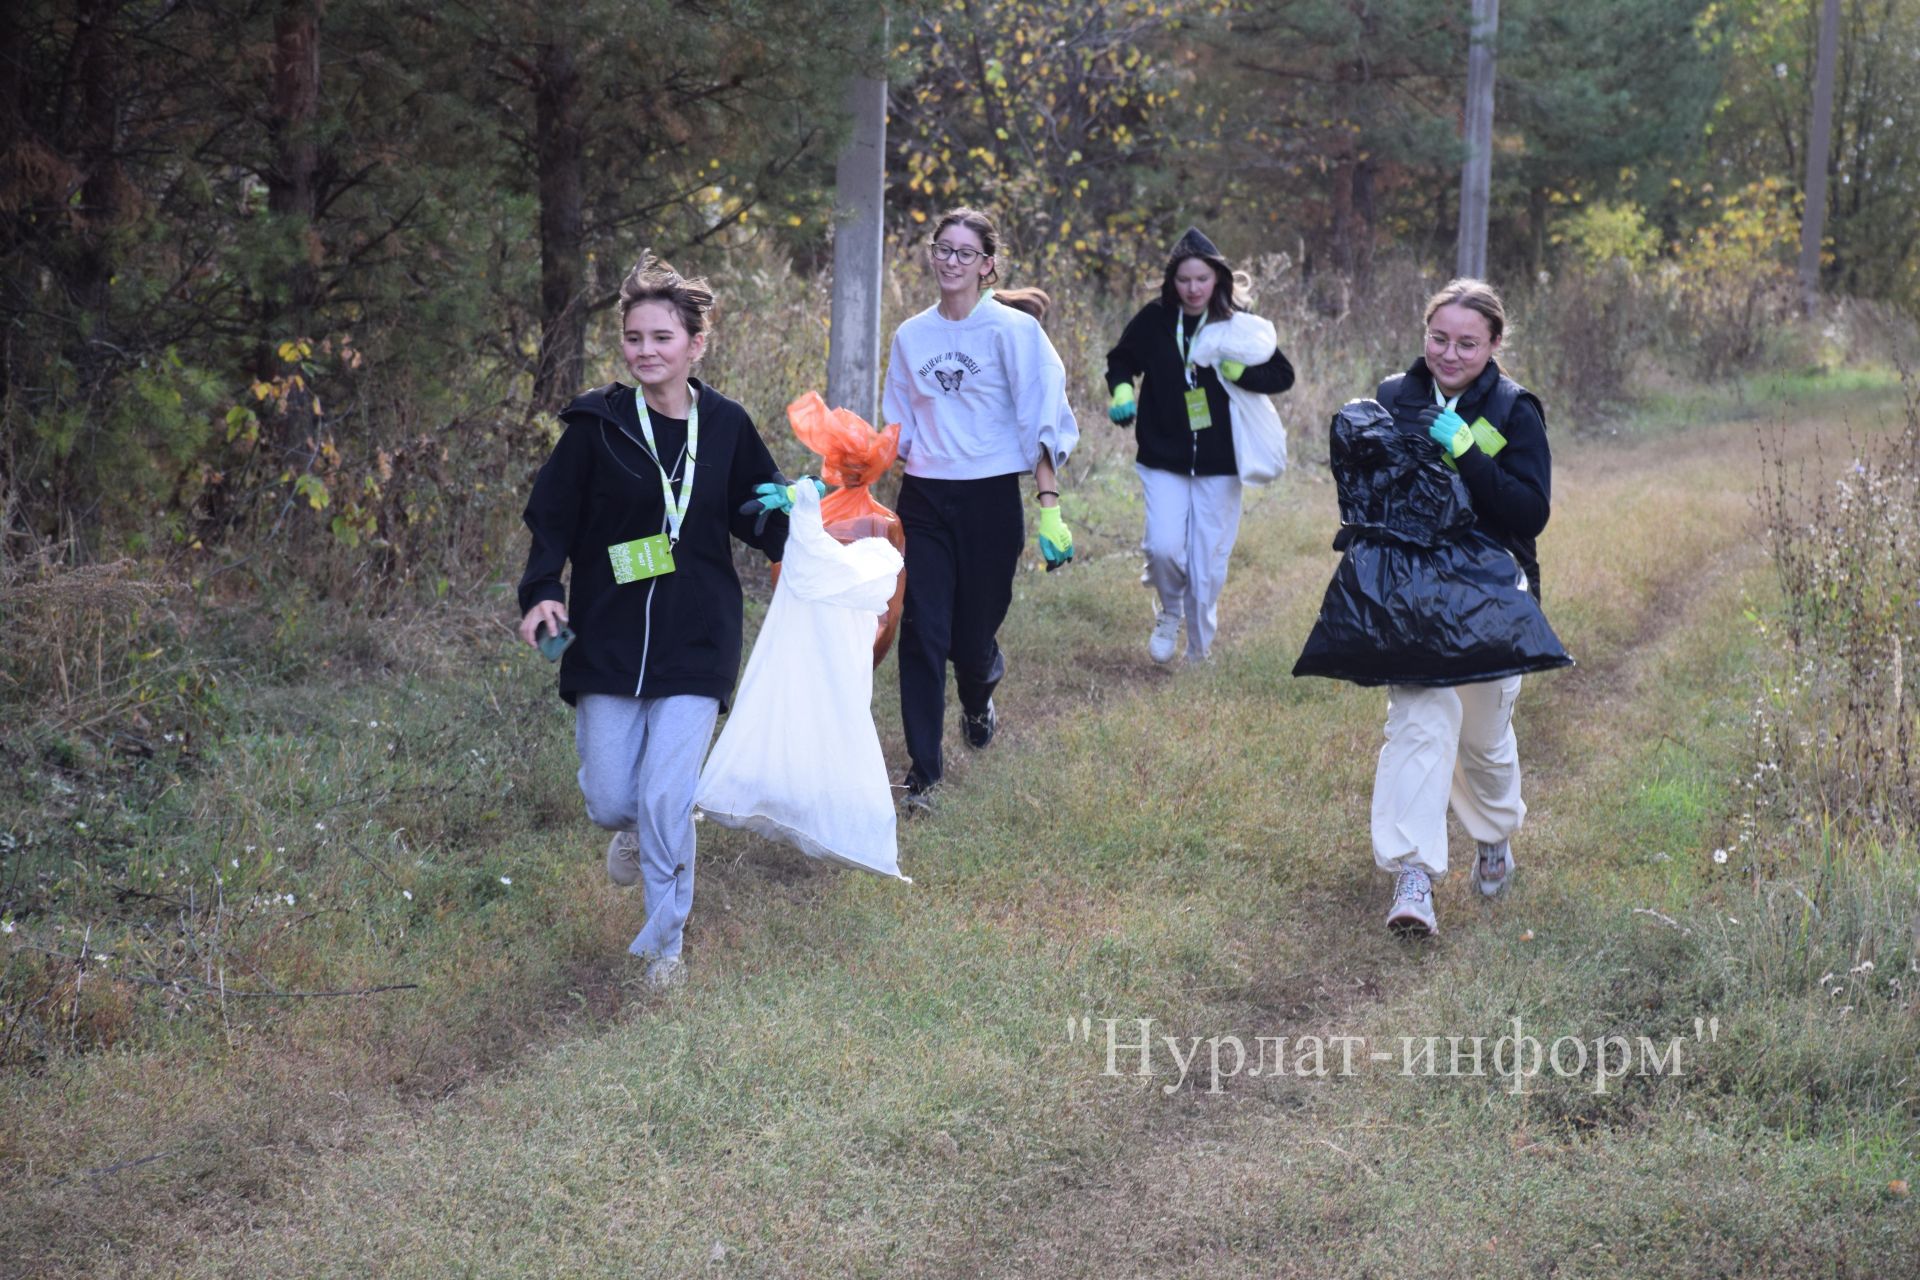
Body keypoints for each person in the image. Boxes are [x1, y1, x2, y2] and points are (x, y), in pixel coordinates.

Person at [516, 252, 798, 987]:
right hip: (607, 635)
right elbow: (551, 517)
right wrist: (542, 588)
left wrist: (812, 536)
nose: (646, 352)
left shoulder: (729, 426)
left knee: (668, 795)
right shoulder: (596, 425)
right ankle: (638, 831)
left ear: (695, 345)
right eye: (635, 338)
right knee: (615, 798)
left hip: (698, 635)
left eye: (662, 338)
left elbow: (761, 516)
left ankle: (665, 945)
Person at [1366, 278, 1551, 937]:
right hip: (1414, 585)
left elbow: (1530, 512)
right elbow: (1368, 495)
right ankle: (1413, 875)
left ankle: (1494, 834)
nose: (1448, 354)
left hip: (1493, 586)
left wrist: (1469, 452)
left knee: (1483, 740)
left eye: (1466, 344)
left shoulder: (1513, 410)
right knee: (1419, 717)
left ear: (1495, 344)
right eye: (1438, 338)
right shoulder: (1394, 399)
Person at [881, 207, 1079, 816]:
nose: (950, 261)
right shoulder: (911, 336)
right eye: (942, 249)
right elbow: (896, 430)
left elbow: (1040, 420)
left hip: (991, 498)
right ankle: (924, 776)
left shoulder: (1013, 333)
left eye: (965, 252)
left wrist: (1050, 509)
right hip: (925, 498)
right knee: (921, 631)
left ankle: (977, 693)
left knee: (971, 638)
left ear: (988, 265)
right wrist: (852, 473)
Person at [1105, 227, 1295, 664]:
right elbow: (1121, 361)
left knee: (1207, 565)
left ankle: (1199, 652)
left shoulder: (1240, 325)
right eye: (1184, 280)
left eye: (1202, 280)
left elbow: (1282, 376)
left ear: (1218, 280)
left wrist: (1240, 372)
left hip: (1221, 463)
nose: (1193, 289)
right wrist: (1120, 391)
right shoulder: (1154, 320)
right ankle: (1170, 611)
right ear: (1172, 281)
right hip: (1162, 457)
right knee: (1164, 548)